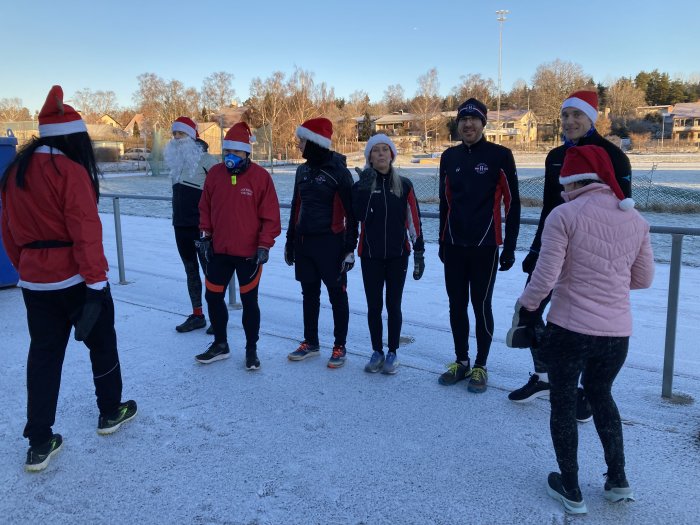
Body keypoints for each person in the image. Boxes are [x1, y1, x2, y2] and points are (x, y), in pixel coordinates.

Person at [0, 85, 137, 472]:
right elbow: (85, 231)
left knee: (43, 356)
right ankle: (111, 411)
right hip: (77, 279)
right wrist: (96, 283)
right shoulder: (70, 171)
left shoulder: (15, 174)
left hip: (35, 283)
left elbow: (8, 230)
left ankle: (39, 441)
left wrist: (27, 267)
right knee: (102, 344)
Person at [513, 145, 653, 514]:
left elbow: (545, 278)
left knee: (562, 402)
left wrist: (527, 306)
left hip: (571, 329)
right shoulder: (636, 220)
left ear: (571, 181)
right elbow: (642, 279)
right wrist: (606, 280)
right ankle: (618, 480)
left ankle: (571, 488)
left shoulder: (564, 215)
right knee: (602, 396)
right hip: (617, 333)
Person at [508, 90, 633, 417]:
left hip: (593, 258)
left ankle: (587, 390)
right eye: (565, 115)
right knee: (530, 312)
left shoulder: (614, 156)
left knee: (587, 324)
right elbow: (551, 208)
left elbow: (625, 213)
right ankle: (545, 376)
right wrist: (537, 249)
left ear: (591, 118)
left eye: (577, 115)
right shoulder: (554, 157)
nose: (569, 121)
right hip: (555, 249)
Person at [437, 98, 520, 393]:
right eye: (463, 119)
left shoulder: (500, 155)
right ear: (458, 124)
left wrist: (509, 245)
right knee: (456, 306)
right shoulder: (449, 158)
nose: (468, 124)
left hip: (485, 246)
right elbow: (444, 202)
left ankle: (481, 365)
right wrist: (441, 242)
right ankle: (461, 361)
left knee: (480, 305)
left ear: (483, 124)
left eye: (474, 119)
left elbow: (513, 204)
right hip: (454, 244)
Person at [193, 122, 281, 370]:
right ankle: (220, 344)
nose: (230, 157)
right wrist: (206, 236)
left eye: (236, 152)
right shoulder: (215, 174)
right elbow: (205, 208)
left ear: (246, 153)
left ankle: (251, 349)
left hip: (249, 254)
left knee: (249, 302)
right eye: (227, 152)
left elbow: (271, 217)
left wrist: (264, 246)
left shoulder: (260, 178)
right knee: (212, 296)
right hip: (219, 250)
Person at [285, 117, 358, 369]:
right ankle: (311, 342)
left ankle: (340, 345)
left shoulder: (338, 171)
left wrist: (350, 248)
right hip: (305, 243)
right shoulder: (302, 170)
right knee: (309, 295)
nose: (298, 145)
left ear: (314, 142)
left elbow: (352, 213)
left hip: (331, 244)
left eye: (302, 141)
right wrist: (290, 240)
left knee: (337, 295)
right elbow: (297, 206)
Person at [352, 134, 424, 375]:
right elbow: (357, 217)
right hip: (370, 255)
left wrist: (419, 251)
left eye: (385, 150)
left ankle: (392, 351)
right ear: (369, 157)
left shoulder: (404, 185)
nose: (381, 154)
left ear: (392, 155)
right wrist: (363, 188)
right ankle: (376, 351)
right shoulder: (361, 184)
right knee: (374, 305)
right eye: (376, 150)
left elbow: (413, 220)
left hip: (397, 255)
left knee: (393, 305)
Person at [163, 116, 218, 333]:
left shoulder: (207, 160)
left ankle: (216, 316)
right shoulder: (176, 164)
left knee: (210, 273)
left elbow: (219, 194)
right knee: (190, 271)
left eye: (181, 134)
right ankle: (197, 315)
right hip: (180, 226)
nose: (176, 138)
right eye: (174, 134)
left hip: (201, 227)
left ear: (192, 135)